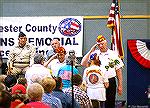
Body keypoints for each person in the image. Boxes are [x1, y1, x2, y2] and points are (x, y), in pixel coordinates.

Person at [81, 34, 124, 108]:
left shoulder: (113, 54)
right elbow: (83, 63)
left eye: (102, 44)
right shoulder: (95, 54)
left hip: (110, 81)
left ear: (106, 43)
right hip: (98, 82)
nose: (101, 46)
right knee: (97, 103)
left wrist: (120, 85)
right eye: (99, 44)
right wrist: (91, 50)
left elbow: (118, 70)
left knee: (110, 102)